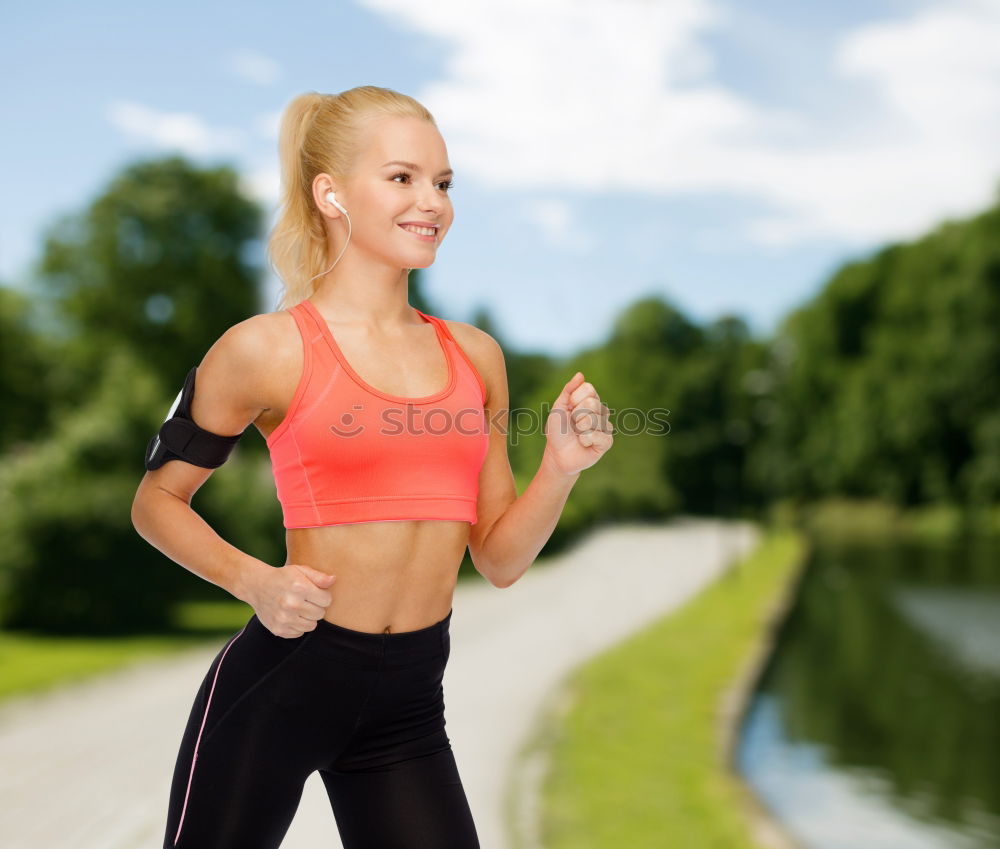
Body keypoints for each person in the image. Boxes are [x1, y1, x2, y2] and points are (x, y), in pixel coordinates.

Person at [131, 85, 614, 849]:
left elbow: (499, 557)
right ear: (331, 193)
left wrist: (561, 467)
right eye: (403, 178)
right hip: (281, 686)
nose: (433, 202)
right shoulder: (264, 349)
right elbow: (157, 501)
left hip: (408, 707)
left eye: (444, 183)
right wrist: (256, 581)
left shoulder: (473, 356)